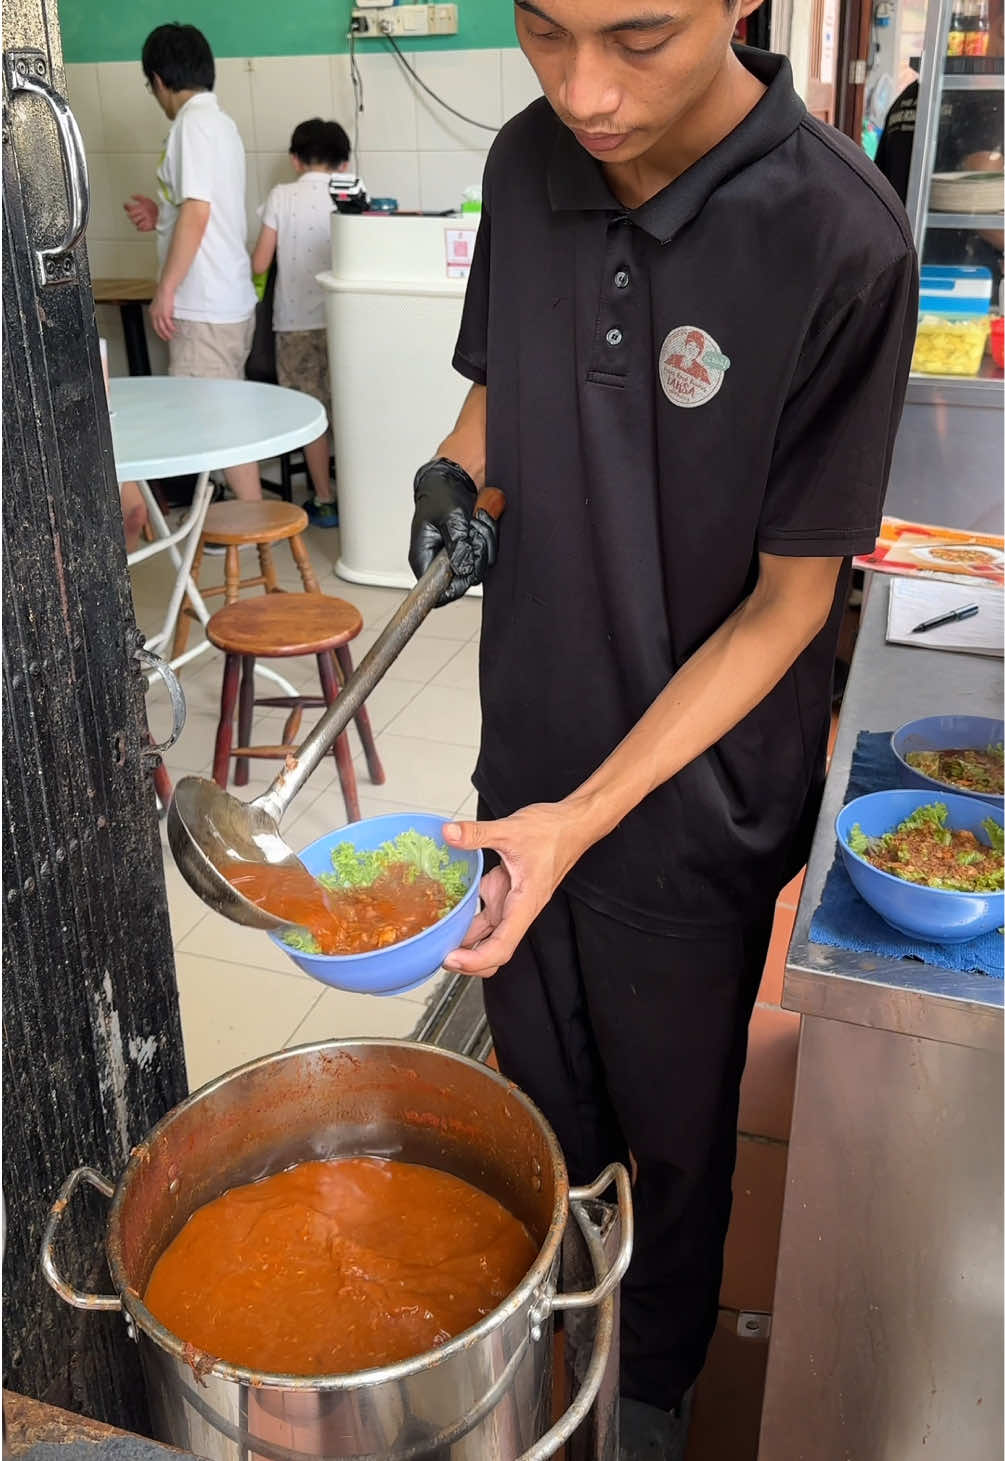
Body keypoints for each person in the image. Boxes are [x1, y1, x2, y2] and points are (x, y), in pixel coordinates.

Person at [406, 2, 918, 1456]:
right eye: (543, 30)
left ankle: (651, 1397)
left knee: (680, 1142)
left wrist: (591, 818)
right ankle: (550, 1337)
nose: (585, 91)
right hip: (526, 765)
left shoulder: (842, 237)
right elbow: (498, 396)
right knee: (544, 1096)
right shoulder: (524, 165)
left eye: (636, 39)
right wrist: (455, 478)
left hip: (694, 805)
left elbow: (786, 606)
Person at [124, 23, 261, 502]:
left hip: (204, 305)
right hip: (226, 299)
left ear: (160, 80)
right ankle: (243, 526)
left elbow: (199, 213)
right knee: (223, 419)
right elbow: (198, 207)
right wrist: (159, 212)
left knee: (222, 426)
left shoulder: (192, 126)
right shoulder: (219, 123)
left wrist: (166, 289)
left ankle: (256, 527)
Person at [251, 118, 350, 527]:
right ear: (344, 163)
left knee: (312, 413)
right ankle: (355, 494)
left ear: (295, 160)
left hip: (293, 323)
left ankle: (324, 500)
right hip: (345, 321)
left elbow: (260, 262)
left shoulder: (281, 195)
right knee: (348, 406)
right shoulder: (349, 190)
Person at [874, 0, 1003, 292]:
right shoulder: (983, 102)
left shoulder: (909, 95)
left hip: (894, 263)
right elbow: (976, 205)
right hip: (953, 273)